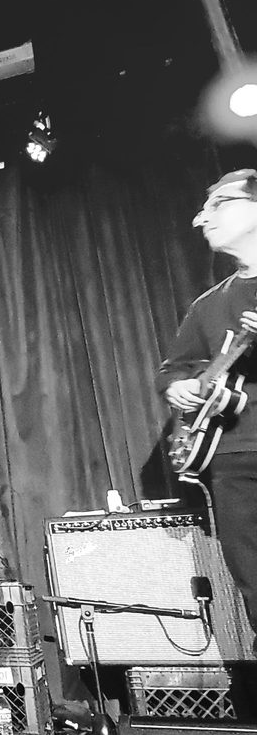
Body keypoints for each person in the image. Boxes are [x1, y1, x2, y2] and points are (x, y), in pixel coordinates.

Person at [156, 169, 257, 652]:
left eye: (218, 204)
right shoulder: (207, 305)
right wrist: (177, 388)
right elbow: (173, 368)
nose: (202, 218)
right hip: (231, 455)